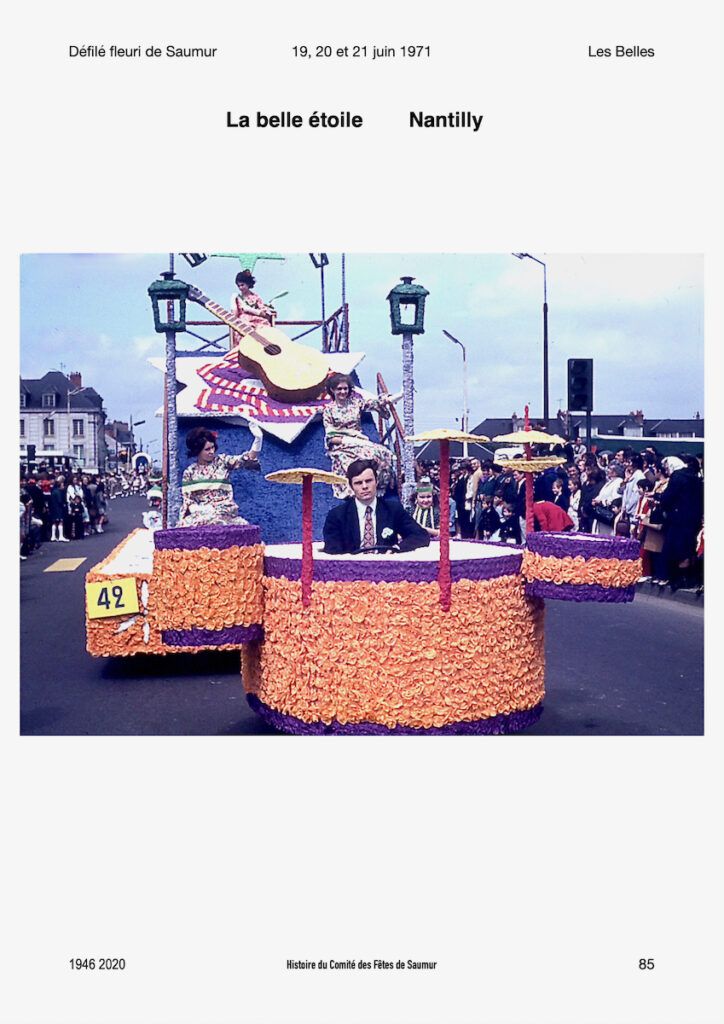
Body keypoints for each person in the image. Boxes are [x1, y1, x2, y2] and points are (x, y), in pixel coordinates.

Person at [323, 459, 430, 555]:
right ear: (351, 486)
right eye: (358, 483)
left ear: (376, 482)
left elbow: (421, 536)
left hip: (387, 570)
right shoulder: (337, 515)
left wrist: (397, 548)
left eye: (369, 481)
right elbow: (332, 550)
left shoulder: (393, 510)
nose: (364, 486)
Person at [322, 373, 396, 498]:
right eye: (339, 389)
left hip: (361, 441)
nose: (343, 391)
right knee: (361, 459)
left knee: (382, 453)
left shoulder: (355, 403)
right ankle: (355, 490)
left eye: (345, 388)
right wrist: (349, 440)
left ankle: (377, 487)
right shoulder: (328, 410)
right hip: (342, 444)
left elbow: (374, 403)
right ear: (332, 390)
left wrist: (391, 399)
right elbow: (330, 435)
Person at [178, 426, 261, 528]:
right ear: (197, 451)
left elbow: (245, 459)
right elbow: (188, 500)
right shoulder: (190, 472)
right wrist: (199, 509)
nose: (212, 451)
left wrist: (258, 441)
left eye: (213, 447)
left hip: (224, 512)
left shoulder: (223, 462)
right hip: (201, 513)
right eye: (207, 449)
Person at [229, 269, 276, 349]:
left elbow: (263, 312)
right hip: (244, 320)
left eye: (242, 285)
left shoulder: (256, 297)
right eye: (238, 285)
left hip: (257, 320)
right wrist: (232, 300)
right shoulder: (237, 298)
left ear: (248, 284)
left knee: (264, 327)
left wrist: (251, 310)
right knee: (246, 328)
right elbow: (234, 315)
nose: (240, 288)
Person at [590, 463, 624, 536]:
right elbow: (601, 495)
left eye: (610, 469)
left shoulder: (619, 481)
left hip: (607, 513)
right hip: (599, 512)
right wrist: (595, 500)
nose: (608, 471)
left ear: (615, 472)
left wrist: (602, 502)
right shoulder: (609, 482)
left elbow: (616, 498)